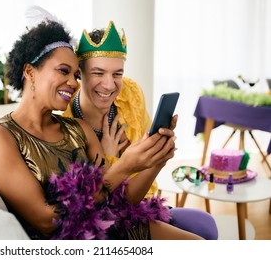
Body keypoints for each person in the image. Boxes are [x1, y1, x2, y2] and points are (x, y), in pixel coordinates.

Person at [0, 19, 203, 240]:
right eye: (64, 71)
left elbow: (121, 200)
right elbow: (47, 222)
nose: (73, 83)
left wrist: (156, 159)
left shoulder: (79, 129)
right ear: (30, 71)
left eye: (75, 75)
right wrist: (123, 166)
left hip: (118, 229)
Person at [63, 21, 218, 240]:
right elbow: (95, 206)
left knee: (207, 224)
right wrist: (113, 159)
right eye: (98, 73)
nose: (109, 85)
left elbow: (139, 194)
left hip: (139, 204)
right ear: (80, 73)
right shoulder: (66, 122)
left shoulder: (130, 95)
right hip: (103, 224)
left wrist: (157, 157)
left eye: (117, 73)